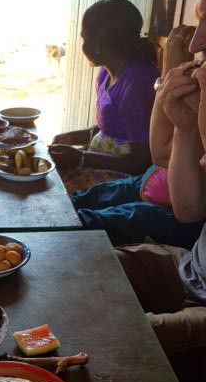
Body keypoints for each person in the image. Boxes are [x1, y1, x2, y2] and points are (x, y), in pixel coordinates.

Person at [116, 0, 206, 382]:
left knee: (120, 337)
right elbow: (190, 209)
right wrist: (186, 128)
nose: (198, 42)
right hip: (192, 271)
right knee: (95, 269)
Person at [70, 25, 205, 250]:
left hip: (175, 206)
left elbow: (156, 155)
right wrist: (170, 76)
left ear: (100, 45)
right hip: (153, 179)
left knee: (88, 223)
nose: (194, 45)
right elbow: (161, 154)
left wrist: (169, 71)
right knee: (76, 201)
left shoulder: (137, 79)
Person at [49, 0, 160, 194]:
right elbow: (109, 128)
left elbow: (142, 163)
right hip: (99, 165)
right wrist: (71, 137)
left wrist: (80, 157)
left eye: (84, 38)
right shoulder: (106, 74)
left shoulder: (138, 84)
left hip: (121, 180)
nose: (82, 45)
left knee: (53, 193)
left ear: (98, 45)